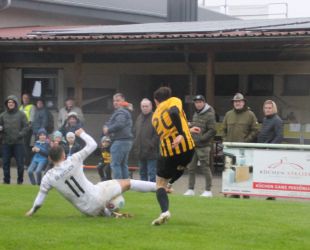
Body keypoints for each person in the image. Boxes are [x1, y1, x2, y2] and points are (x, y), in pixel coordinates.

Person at [25, 128, 156, 218]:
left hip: (87, 211)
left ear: (49, 159)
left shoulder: (48, 177)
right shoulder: (73, 160)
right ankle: (159, 187)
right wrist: (82, 133)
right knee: (129, 183)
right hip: (97, 195)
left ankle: (109, 211)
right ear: (64, 155)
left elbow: (40, 199)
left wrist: (32, 211)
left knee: (100, 188)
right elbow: (93, 145)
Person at [151, 86, 195, 226]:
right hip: (188, 148)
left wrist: (182, 132)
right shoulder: (174, 100)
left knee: (159, 183)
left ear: (156, 101)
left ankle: (165, 211)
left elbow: (172, 117)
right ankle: (172, 182)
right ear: (169, 96)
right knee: (181, 166)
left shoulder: (154, 116)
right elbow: (175, 112)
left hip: (169, 152)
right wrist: (184, 133)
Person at [222, 93, 259, 198]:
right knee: (230, 170)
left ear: (244, 102)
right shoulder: (228, 114)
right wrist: (225, 141)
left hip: (244, 149)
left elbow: (255, 130)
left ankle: (245, 193)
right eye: (235, 101)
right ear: (233, 103)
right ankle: (234, 192)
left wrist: (246, 141)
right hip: (230, 149)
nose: (237, 103)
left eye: (239, 101)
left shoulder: (250, 114)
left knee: (244, 171)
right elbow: (223, 129)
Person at [183, 95, 216, 197]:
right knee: (191, 167)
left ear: (204, 102)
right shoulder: (195, 114)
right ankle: (190, 189)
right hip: (193, 145)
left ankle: (208, 190)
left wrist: (202, 138)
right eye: (196, 102)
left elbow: (212, 130)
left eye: (200, 102)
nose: (198, 104)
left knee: (205, 167)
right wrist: (190, 125)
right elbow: (195, 125)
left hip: (204, 146)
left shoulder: (210, 114)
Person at [103, 93, 133, 179]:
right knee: (123, 164)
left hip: (120, 141)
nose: (115, 102)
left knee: (115, 164)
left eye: (118, 100)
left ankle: (118, 186)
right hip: (126, 141)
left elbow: (119, 124)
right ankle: (125, 185)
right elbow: (110, 122)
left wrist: (108, 129)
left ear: (123, 101)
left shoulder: (121, 112)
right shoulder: (122, 111)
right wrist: (106, 126)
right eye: (114, 101)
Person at [258, 100, 283, 200]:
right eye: (266, 108)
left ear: (274, 109)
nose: (267, 110)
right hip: (262, 151)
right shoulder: (265, 119)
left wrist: (270, 147)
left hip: (271, 152)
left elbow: (279, 136)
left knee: (271, 174)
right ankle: (268, 194)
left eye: (269, 108)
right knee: (264, 174)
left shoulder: (277, 120)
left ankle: (272, 195)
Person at [0, 95, 29, 184]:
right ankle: (6, 181)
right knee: (5, 163)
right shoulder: (2, 115)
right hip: (6, 143)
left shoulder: (21, 114)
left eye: (12, 102)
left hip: (18, 143)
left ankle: (20, 181)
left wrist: (20, 134)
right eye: (9, 102)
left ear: (15, 103)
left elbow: (26, 127)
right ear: (6, 104)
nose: (10, 104)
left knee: (20, 164)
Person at [133, 98, 158, 182]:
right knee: (142, 173)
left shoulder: (155, 117)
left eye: (146, 106)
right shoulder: (139, 117)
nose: (145, 108)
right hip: (140, 151)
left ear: (151, 106)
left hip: (151, 151)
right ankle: (144, 191)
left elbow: (158, 134)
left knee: (152, 173)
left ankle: (152, 190)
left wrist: (151, 144)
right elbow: (135, 132)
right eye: (143, 106)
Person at [19, 93, 36, 167]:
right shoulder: (20, 107)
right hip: (20, 129)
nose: (25, 99)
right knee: (21, 146)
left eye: (26, 98)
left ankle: (27, 163)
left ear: (29, 99)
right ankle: (23, 162)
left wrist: (27, 128)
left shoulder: (32, 107)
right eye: (23, 98)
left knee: (26, 146)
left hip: (27, 129)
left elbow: (31, 119)